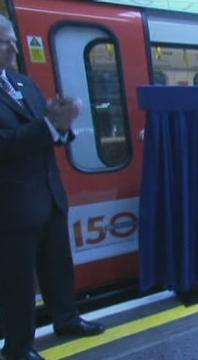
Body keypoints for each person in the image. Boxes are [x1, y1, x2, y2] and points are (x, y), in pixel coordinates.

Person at [0, 15, 104, 360]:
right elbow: (6, 143)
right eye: (4, 41)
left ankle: (67, 318)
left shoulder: (22, 83)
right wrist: (48, 126)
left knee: (58, 265)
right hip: (12, 205)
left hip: (48, 193)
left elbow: (46, 131)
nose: (13, 47)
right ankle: (19, 346)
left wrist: (63, 124)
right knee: (18, 281)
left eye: (13, 39)